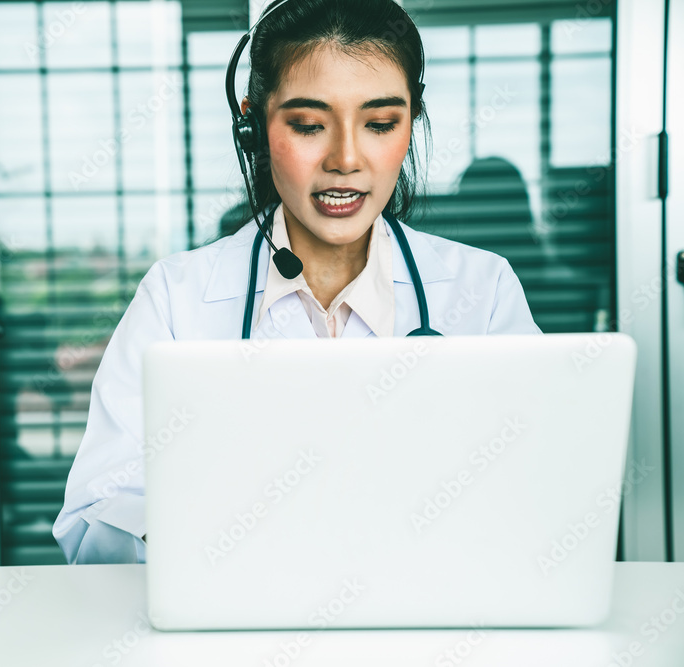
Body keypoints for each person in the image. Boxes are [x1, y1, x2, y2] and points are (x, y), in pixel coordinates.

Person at [53, 0, 541, 564]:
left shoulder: (482, 292)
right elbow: (94, 521)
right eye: (308, 125)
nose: (346, 159)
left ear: (411, 124)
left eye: (381, 123)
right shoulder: (176, 298)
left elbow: (537, 494)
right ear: (254, 124)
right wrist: (195, 538)